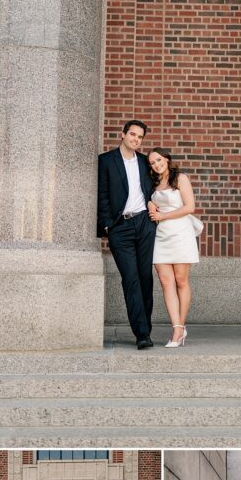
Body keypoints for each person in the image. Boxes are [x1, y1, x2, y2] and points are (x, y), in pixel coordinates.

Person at [97, 120, 156, 350]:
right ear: (122, 135)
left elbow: (153, 189)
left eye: (140, 137)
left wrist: (153, 206)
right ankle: (141, 333)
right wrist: (107, 225)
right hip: (120, 227)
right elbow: (102, 194)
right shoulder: (106, 161)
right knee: (130, 279)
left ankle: (145, 329)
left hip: (143, 224)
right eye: (132, 134)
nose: (136, 139)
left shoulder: (144, 162)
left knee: (145, 279)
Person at [147, 148, 201, 348]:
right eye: (152, 162)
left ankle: (179, 328)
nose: (156, 164)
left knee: (181, 280)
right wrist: (150, 203)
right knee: (164, 280)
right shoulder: (153, 182)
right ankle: (176, 325)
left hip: (180, 232)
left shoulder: (180, 178)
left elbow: (190, 207)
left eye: (158, 160)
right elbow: (150, 199)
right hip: (161, 235)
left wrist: (163, 216)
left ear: (167, 160)